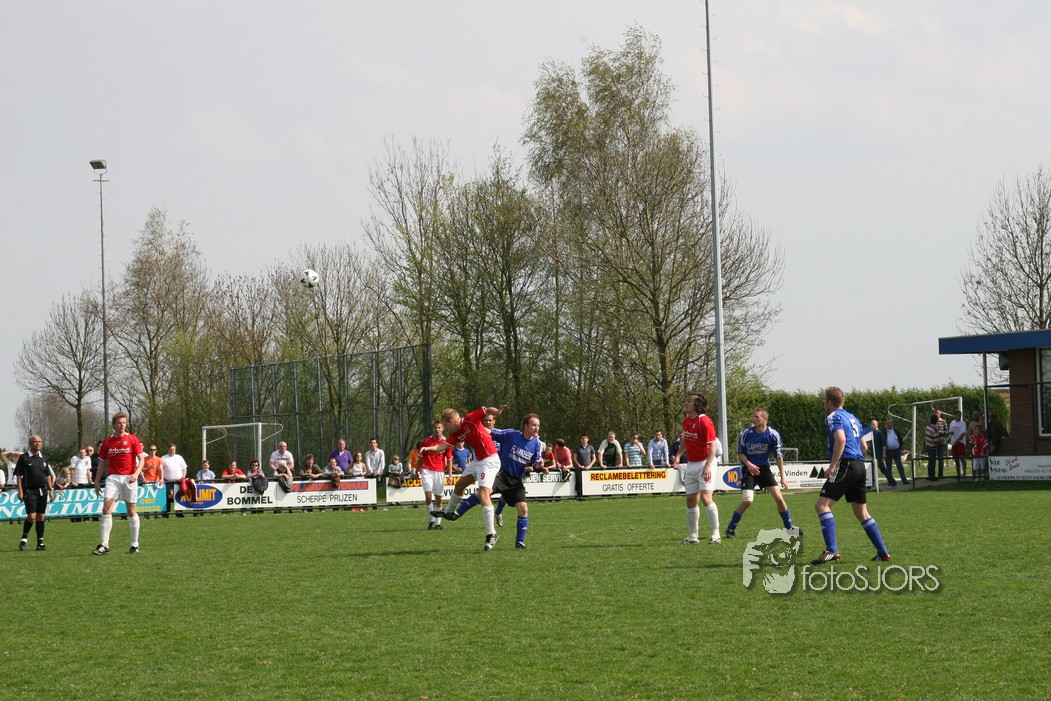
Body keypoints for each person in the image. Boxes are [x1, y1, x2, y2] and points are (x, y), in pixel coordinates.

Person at [812, 387, 890, 565]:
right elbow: (864, 446)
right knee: (861, 512)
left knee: (822, 506)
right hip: (859, 465)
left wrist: (833, 466)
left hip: (846, 464)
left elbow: (841, 439)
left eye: (824, 400)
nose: (824, 404)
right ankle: (882, 552)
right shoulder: (852, 417)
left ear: (829, 402)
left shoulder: (833, 417)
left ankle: (832, 550)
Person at [445, 413, 543, 551]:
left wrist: (539, 466)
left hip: (515, 480)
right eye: (533, 425)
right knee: (483, 494)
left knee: (523, 509)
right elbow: (491, 433)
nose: (536, 428)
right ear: (525, 426)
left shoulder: (537, 444)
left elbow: (536, 463)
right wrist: (473, 428)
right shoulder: (511, 435)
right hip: (501, 473)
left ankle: (519, 543)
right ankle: (457, 513)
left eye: (538, 425)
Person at [425, 405, 505, 551]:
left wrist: (496, 412)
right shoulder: (456, 434)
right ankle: (449, 512)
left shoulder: (469, 418)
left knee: (483, 494)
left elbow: (486, 410)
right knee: (460, 485)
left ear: (451, 421)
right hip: (477, 461)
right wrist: (428, 449)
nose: (446, 430)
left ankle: (491, 533)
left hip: (489, 460)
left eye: (446, 427)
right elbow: (442, 447)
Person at [725, 408, 796, 540]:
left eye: (757, 417)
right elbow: (740, 453)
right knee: (748, 500)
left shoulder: (773, 434)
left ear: (764, 419)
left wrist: (783, 476)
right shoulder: (747, 433)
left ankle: (790, 529)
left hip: (764, 469)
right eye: (753, 416)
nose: (754, 419)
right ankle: (730, 529)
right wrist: (749, 464)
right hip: (748, 469)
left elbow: (778, 456)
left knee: (779, 499)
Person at [92, 412, 146, 555]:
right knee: (106, 508)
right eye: (119, 423)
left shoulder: (132, 439)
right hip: (113, 478)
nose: (122, 425)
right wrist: (96, 481)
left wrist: (136, 474)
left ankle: (134, 545)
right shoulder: (107, 441)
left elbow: (141, 459)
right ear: (114, 425)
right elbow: (102, 463)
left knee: (131, 511)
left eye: (124, 423)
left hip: (129, 477)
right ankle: (104, 545)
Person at [672, 392, 721, 545]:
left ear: (697, 405)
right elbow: (686, 441)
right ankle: (693, 536)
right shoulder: (687, 421)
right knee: (691, 500)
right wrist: (678, 456)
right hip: (691, 464)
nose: (686, 403)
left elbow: (713, 446)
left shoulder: (704, 421)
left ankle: (716, 534)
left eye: (689, 401)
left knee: (706, 498)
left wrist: (708, 466)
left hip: (706, 463)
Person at [15, 435, 54, 551]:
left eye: (39, 441)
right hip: (30, 491)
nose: (38, 443)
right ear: (30, 444)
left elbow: (47, 475)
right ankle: (24, 537)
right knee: (31, 517)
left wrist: (51, 490)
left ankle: (40, 543)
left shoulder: (44, 458)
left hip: (42, 491)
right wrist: (20, 491)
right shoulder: (24, 458)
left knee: (41, 517)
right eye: (35, 442)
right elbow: (19, 475)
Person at [418, 420, 453, 530]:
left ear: (443, 428)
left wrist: (450, 475)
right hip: (427, 470)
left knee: (439, 498)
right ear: (433, 429)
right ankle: (431, 521)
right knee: (428, 495)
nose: (437, 429)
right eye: (435, 427)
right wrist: (416, 471)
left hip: (439, 471)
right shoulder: (426, 441)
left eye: (439, 427)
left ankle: (438, 523)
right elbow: (420, 457)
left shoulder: (446, 443)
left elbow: (449, 459)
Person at [883, 418, 909, 485]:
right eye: (888, 423)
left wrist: (900, 449)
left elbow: (900, 440)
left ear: (892, 424)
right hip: (888, 452)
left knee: (900, 466)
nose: (889, 424)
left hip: (896, 451)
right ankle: (890, 481)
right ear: (886, 424)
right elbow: (883, 442)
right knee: (888, 467)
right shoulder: (883, 432)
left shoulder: (896, 431)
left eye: (890, 423)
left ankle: (904, 480)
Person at [867, 420, 892, 486]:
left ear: (877, 425)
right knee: (883, 470)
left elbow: (884, 444)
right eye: (871, 424)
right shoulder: (871, 433)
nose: (872, 425)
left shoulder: (879, 433)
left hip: (879, 454)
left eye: (874, 424)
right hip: (874, 454)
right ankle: (892, 482)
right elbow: (869, 443)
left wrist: (884, 454)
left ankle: (871, 484)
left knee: (874, 469)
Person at [572, 434, 596, 500]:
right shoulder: (577, 448)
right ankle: (579, 495)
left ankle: (586, 496)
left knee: (586, 482)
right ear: (580, 440)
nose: (584, 439)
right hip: (579, 468)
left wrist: (589, 466)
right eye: (582, 438)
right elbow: (574, 458)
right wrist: (579, 465)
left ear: (587, 439)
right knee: (579, 481)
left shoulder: (591, 448)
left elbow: (594, 458)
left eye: (585, 438)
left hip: (587, 468)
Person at [948, 410, 969, 479]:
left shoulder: (963, 423)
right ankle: (958, 473)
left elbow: (963, 433)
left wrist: (957, 440)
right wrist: (951, 433)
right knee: (956, 458)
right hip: (954, 443)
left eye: (960, 415)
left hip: (961, 442)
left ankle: (964, 473)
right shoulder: (952, 423)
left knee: (962, 458)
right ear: (955, 416)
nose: (959, 416)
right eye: (958, 415)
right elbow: (950, 432)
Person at [924, 414, 944, 480]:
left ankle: (930, 475)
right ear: (936, 421)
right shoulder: (935, 428)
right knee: (932, 462)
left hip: (927, 445)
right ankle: (932, 476)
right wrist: (941, 440)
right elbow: (936, 439)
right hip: (932, 446)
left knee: (930, 461)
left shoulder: (928, 426)